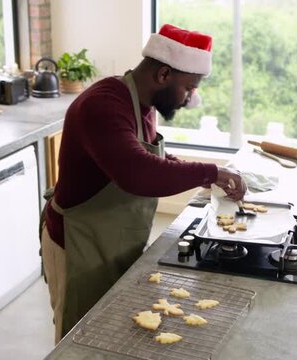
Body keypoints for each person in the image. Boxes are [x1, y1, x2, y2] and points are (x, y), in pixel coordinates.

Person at [40, 23, 247, 343]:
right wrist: (210, 172)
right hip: (78, 245)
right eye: (189, 88)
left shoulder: (144, 106)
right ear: (164, 75)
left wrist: (188, 169)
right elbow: (136, 172)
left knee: (108, 333)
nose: (191, 99)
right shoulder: (104, 105)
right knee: (80, 340)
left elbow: (146, 155)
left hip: (112, 241)